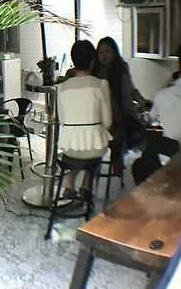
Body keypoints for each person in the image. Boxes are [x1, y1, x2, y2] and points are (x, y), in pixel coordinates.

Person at [57, 40, 113, 199]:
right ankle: (86, 186)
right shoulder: (101, 85)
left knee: (81, 144)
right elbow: (108, 123)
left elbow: (62, 122)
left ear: (73, 60)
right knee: (95, 143)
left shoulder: (62, 87)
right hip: (95, 148)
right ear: (93, 61)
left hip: (69, 147)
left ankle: (69, 184)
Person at [91, 36, 149, 170]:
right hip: (105, 116)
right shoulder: (96, 71)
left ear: (114, 52)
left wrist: (141, 100)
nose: (104, 55)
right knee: (117, 133)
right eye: (101, 52)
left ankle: (127, 159)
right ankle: (116, 159)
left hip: (125, 112)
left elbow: (131, 89)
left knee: (140, 132)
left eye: (107, 51)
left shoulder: (122, 68)